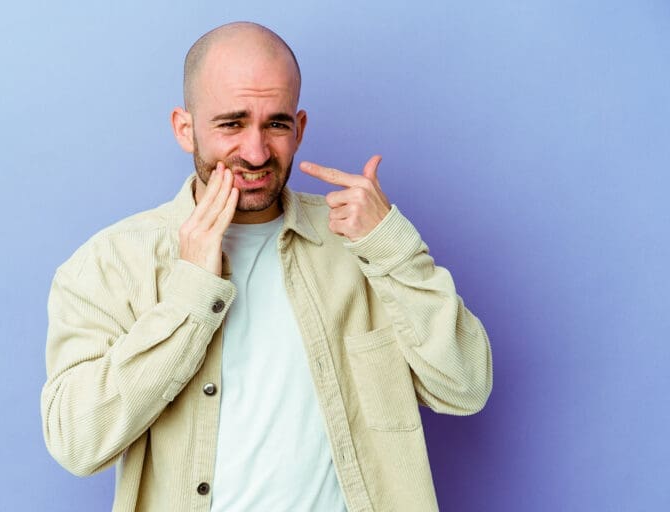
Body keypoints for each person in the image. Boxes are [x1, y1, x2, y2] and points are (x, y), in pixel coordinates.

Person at [41, 21, 492, 512]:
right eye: (232, 123)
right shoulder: (111, 263)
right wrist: (190, 296)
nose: (255, 153)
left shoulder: (362, 244)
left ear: (298, 128)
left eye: (275, 124)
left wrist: (392, 249)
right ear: (184, 128)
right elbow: (76, 444)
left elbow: (465, 387)